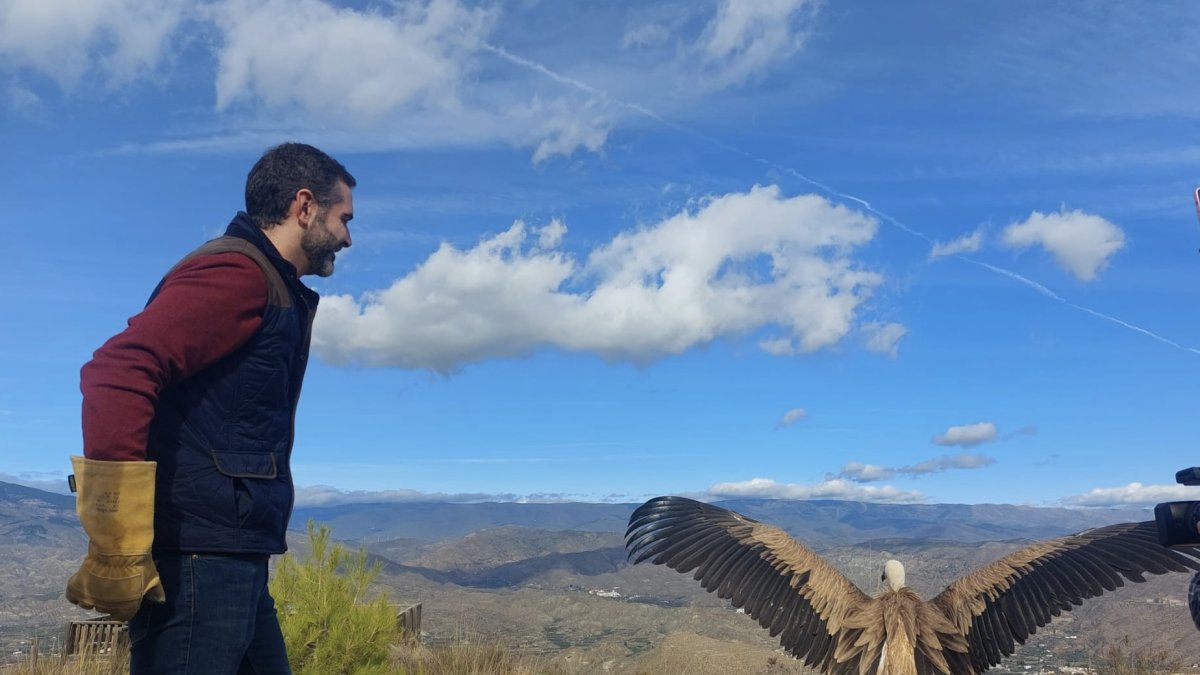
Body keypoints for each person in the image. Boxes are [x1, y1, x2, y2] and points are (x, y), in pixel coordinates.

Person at [66, 142, 355, 674]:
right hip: (198, 562)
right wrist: (118, 536)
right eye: (344, 218)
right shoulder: (236, 274)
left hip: (232, 555)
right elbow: (117, 372)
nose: (348, 237)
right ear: (305, 206)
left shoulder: (268, 285)